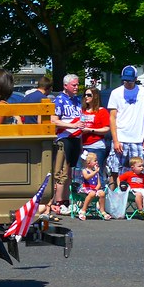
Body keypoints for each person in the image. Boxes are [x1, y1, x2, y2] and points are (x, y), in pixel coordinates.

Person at [107, 65, 144, 178]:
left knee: (138, 172)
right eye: (125, 80)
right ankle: (114, 190)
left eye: (130, 80)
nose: (127, 83)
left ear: (135, 79)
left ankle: (136, 189)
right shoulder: (116, 93)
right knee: (114, 170)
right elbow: (112, 117)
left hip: (138, 139)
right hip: (121, 139)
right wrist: (115, 140)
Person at [50, 74, 83, 215]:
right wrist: (72, 125)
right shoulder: (59, 100)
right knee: (61, 172)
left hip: (76, 138)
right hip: (64, 138)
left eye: (77, 84)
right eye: (74, 85)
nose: (76, 87)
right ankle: (59, 202)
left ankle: (67, 201)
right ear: (65, 85)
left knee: (70, 172)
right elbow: (54, 120)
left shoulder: (77, 100)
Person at [80, 87, 111, 183]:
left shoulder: (102, 111)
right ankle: (84, 190)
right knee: (83, 171)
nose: (86, 97)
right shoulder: (82, 110)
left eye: (89, 95)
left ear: (95, 96)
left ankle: (100, 190)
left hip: (96, 146)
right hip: (82, 146)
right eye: (85, 95)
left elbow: (106, 129)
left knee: (97, 172)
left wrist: (90, 130)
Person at [78, 152, 111, 220]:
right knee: (92, 193)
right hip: (86, 188)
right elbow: (87, 177)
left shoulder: (96, 173)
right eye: (95, 160)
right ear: (89, 163)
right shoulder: (84, 170)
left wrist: (96, 189)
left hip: (94, 189)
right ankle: (83, 210)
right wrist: (95, 172)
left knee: (102, 193)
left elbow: (99, 184)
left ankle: (102, 210)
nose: (97, 162)